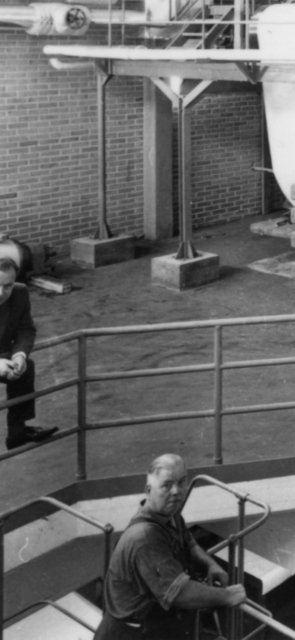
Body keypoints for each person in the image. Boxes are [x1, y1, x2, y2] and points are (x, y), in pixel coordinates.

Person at [95, 453, 246, 640]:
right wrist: (228, 596)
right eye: (167, 485)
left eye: (181, 482)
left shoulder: (170, 514)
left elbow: (189, 544)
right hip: (130, 633)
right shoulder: (145, 538)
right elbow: (179, 594)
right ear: (148, 491)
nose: (176, 491)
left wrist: (210, 564)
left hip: (156, 624)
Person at [0, 256, 58, 450]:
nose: (1, 293)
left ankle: (17, 432)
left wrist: (19, 356)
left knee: (26, 368)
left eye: (7, 286)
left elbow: (25, 329)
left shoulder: (19, 293)